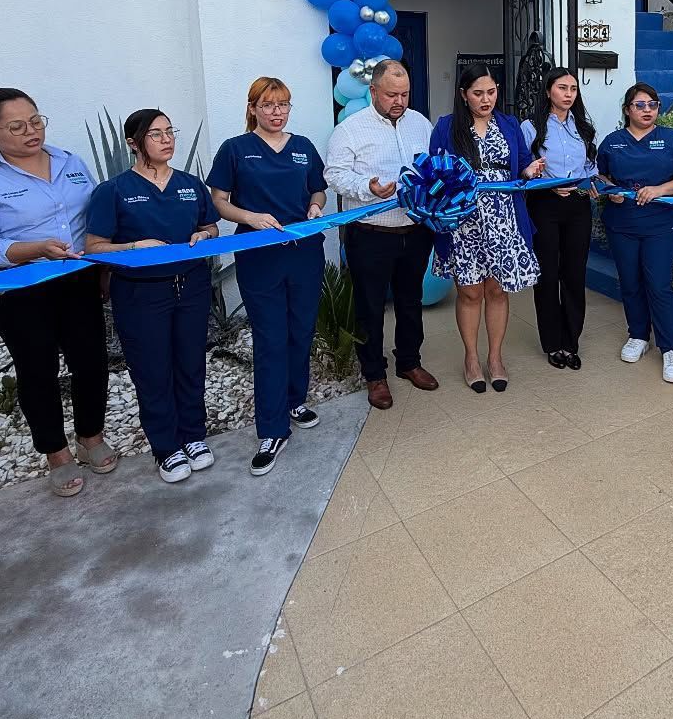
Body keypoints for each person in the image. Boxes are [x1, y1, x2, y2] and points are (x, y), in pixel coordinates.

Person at [0, 84, 116, 498]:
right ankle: (56, 453)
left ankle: (91, 436)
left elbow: (97, 215)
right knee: (38, 368)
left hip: (76, 277)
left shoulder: (70, 161)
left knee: (91, 360)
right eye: (17, 126)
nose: (31, 131)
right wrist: (32, 249)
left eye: (36, 121)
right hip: (21, 286)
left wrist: (105, 263)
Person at [84, 111, 219, 484]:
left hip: (190, 286)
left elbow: (209, 224)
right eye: (155, 134)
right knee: (153, 369)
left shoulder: (191, 184)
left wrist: (206, 236)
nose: (166, 139)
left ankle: (193, 435)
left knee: (191, 363)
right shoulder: (113, 191)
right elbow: (94, 246)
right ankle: (166, 446)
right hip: (141, 293)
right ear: (133, 143)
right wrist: (133, 246)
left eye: (170, 132)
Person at [208, 78, 327, 477]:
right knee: (271, 337)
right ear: (253, 108)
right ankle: (272, 429)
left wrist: (314, 208)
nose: (278, 112)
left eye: (284, 105)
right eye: (269, 105)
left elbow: (319, 191)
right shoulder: (236, 150)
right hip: (260, 256)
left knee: (301, 330)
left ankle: (295, 399)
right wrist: (251, 218)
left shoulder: (304, 147)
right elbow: (219, 202)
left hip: (304, 252)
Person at [324, 61, 439, 410]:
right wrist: (368, 187)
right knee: (370, 307)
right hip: (370, 235)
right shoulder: (350, 129)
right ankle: (374, 374)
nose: (399, 101)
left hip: (415, 231)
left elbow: (432, 168)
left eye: (404, 94)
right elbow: (334, 175)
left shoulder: (421, 123)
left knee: (410, 301)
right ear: (373, 92)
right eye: (391, 94)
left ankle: (409, 362)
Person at [430, 64, 545, 393]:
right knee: (470, 292)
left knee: (497, 290)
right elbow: (435, 172)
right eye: (478, 93)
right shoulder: (447, 127)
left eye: (491, 92)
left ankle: (495, 358)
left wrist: (530, 169)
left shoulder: (508, 124)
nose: (486, 99)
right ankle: (471, 357)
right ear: (463, 95)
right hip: (463, 222)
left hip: (503, 218)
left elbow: (522, 163)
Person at [596, 83, 673, 384]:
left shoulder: (671, 139)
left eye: (652, 104)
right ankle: (638, 336)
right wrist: (609, 189)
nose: (646, 110)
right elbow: (601, 174)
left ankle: (671, 349)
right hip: (622, 224)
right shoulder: (612, 142)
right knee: (630, 283)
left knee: (659, 284)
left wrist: (660, 190)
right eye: (639, 105)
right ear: (627, 109)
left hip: (660, 225)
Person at [520, 68, 597, 371]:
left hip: (577, 205)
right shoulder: (531, 126)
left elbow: (591, 166)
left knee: (575, 274)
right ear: (549, 90)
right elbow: (522, 166)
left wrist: (590, 182)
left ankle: (571, 341)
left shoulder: (584, 127)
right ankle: (552, 343)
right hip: (545, 205)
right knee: (548, 275)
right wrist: (537, 173)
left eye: (574, 89)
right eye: (562, 88)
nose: (569, 94)